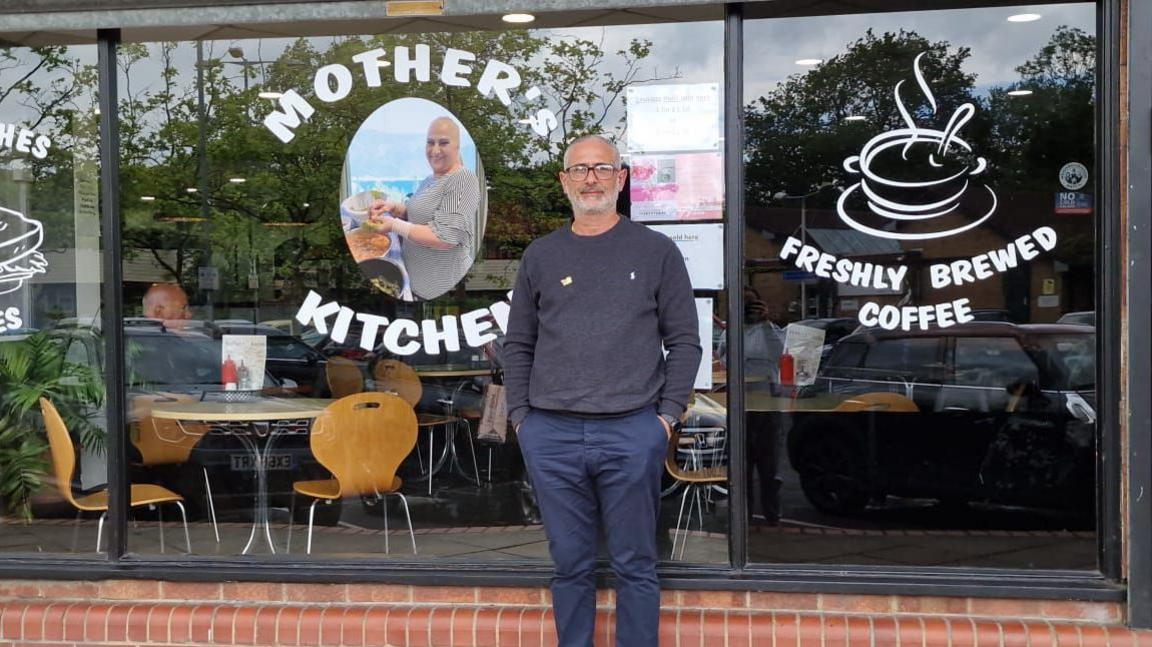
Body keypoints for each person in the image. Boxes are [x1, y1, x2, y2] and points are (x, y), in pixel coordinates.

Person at [504, 134, 702, 647]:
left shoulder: (656, 251)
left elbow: (684, 342)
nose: (591, 178)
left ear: (622, 178)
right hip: (552, 433)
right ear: (564, 182)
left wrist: (665, 419)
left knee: (636, 564)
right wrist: (524, 419)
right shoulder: (541, 255)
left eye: (602, 168)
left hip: (633, 430)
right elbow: (518, 344)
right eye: (580, 169)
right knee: (570, 565)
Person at [367, 116, 481, 300]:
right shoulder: (430, 179)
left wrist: (393, 225)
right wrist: (395, 207)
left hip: (441, 292)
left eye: (443, 142)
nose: (435, 150)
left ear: (457, 147)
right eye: (430, 143)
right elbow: (420, 215)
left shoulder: (463, 179)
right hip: (412, 286)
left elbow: (445, 237)